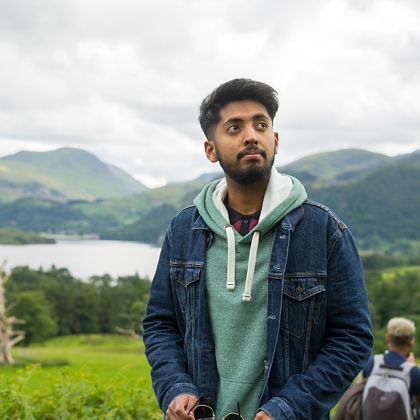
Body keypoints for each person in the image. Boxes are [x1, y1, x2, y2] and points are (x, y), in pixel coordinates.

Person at [142, 78, 374, 420]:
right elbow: (160, 324)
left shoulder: (324, 230)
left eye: (260, 124)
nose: (251, 135)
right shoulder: (183, 230)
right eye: (234, 127)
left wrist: (288, 408)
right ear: (211, 149)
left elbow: (352, 338)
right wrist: (175, 387)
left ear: (275, 141)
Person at [363, 317, 420, 402]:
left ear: (387, 338)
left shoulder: (371, 363)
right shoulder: (414, 372)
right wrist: (410, 367)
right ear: (411, 341)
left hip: (369, 415)